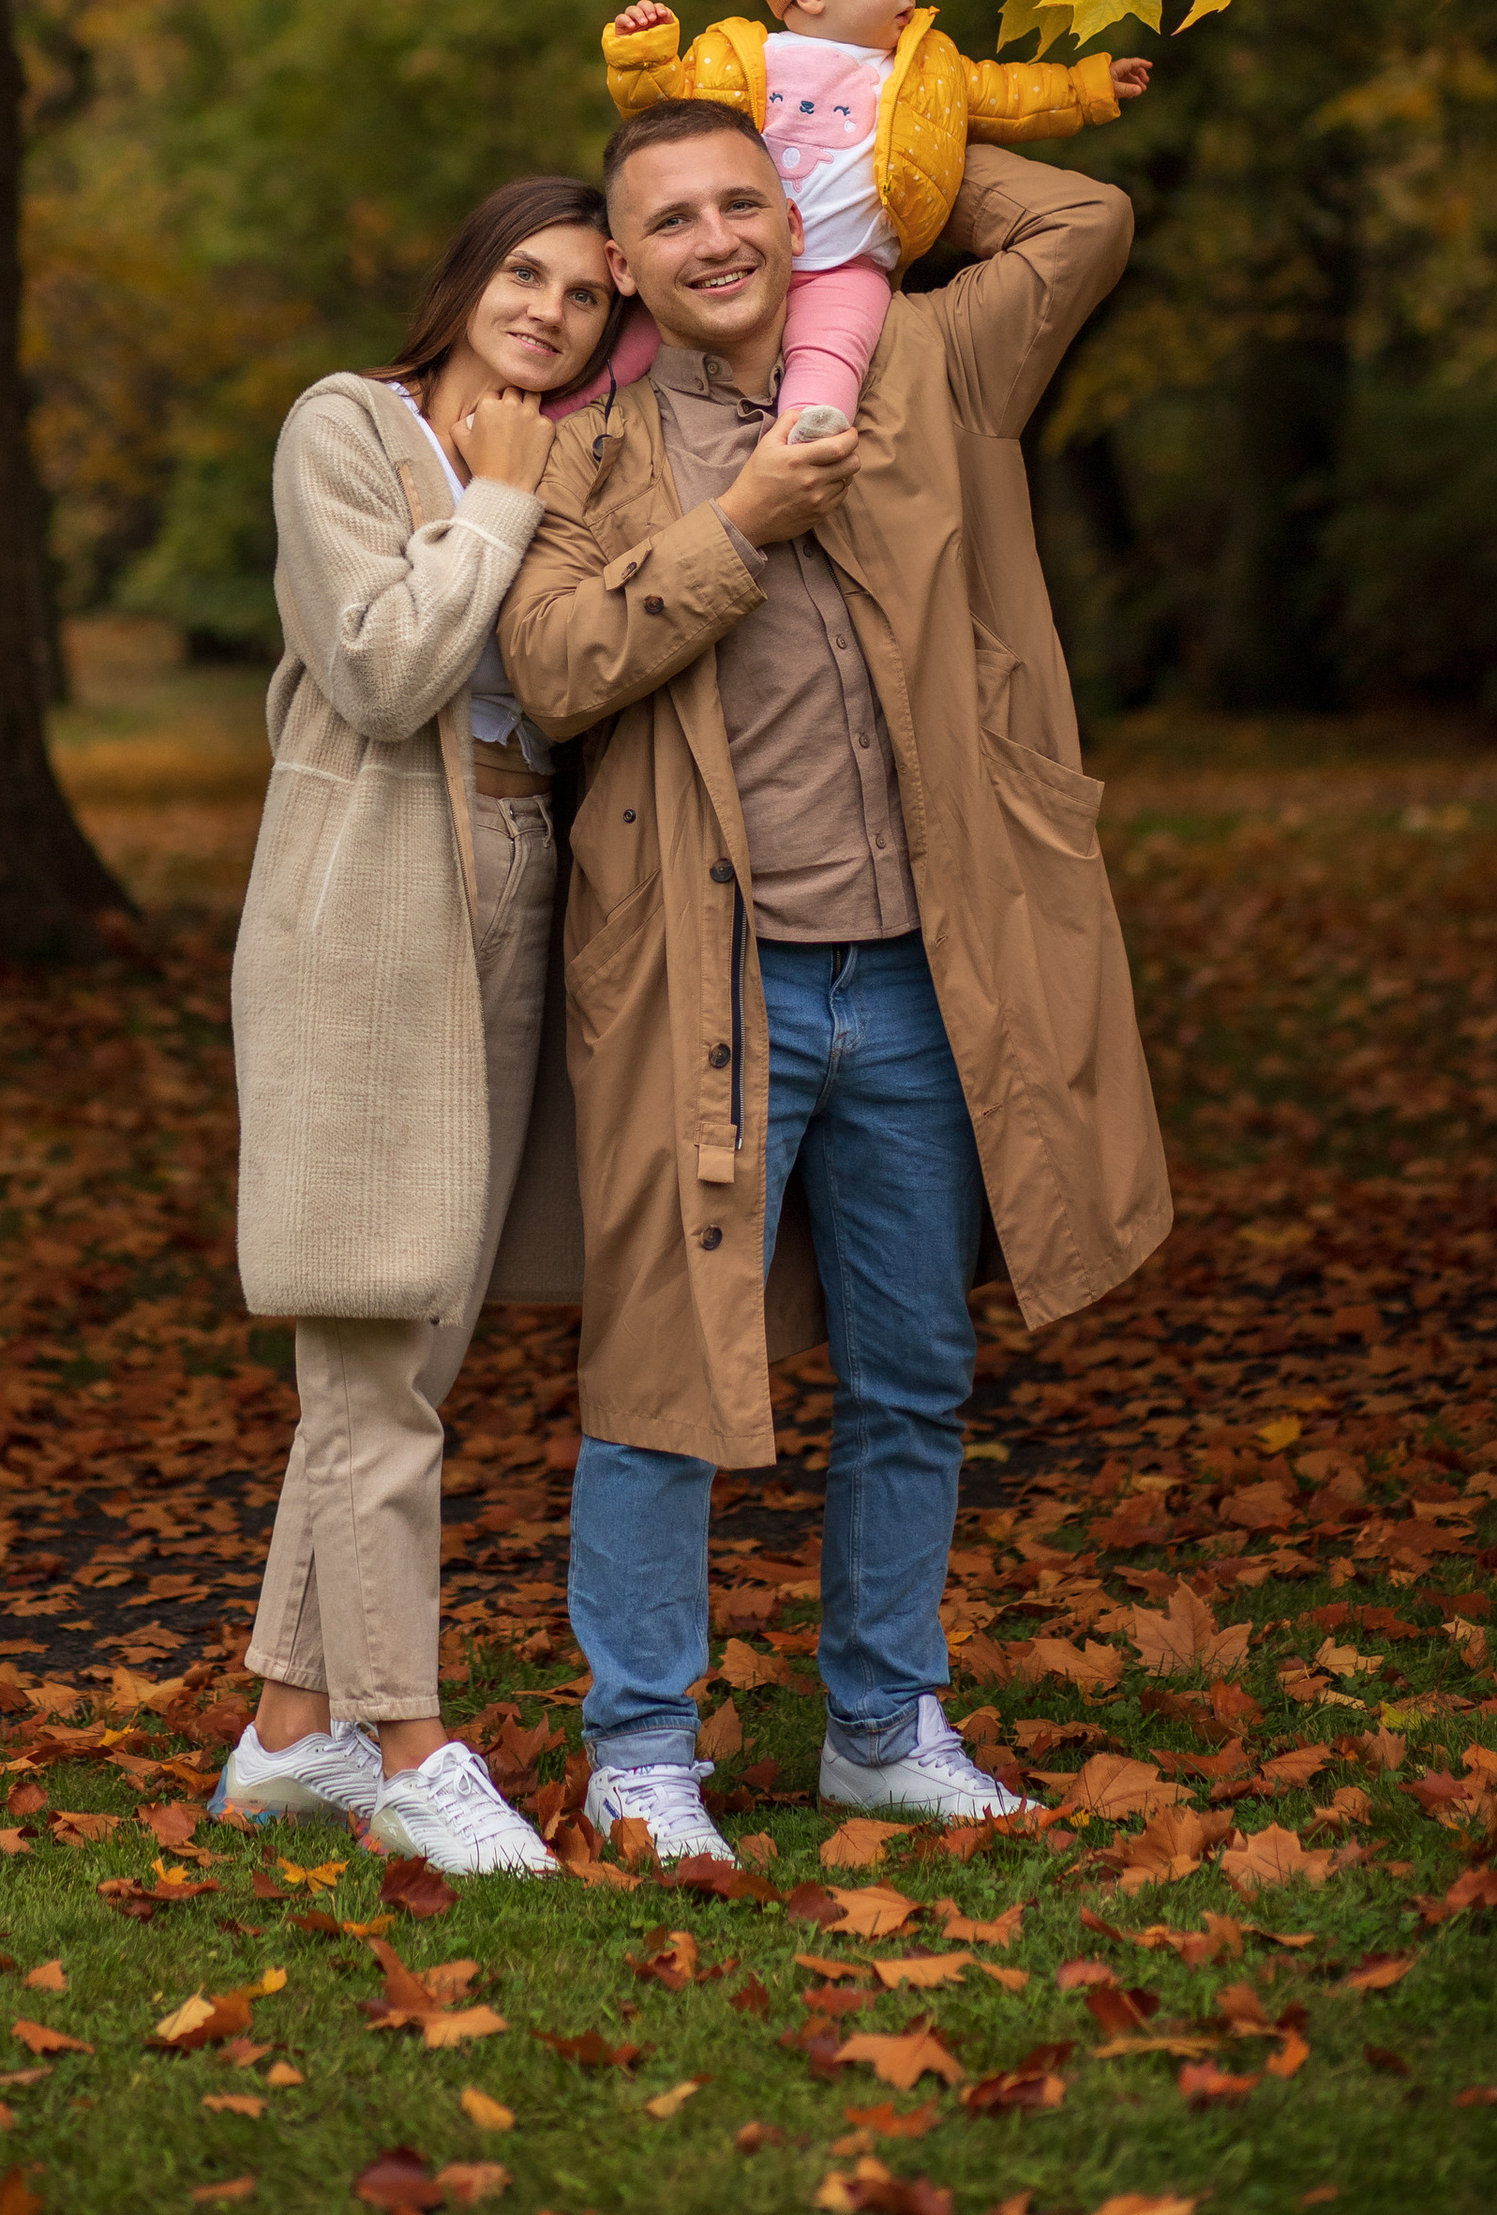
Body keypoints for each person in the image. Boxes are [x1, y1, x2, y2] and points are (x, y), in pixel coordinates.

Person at [498, 97, 1171, 1862]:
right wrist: (741, 521)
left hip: (930, 985)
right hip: (708, 981)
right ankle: (642, 1747)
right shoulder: (596, 448)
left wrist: (864, 105)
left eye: (750, 200)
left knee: (914, 1369)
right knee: (661, 1382)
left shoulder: (929, 372)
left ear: (797, 220)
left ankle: (883, 1721)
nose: (718, 236)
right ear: (627, 268)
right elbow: (559, 665)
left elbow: (1080, 216)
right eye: (675, 220)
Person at [211, 176, 619, 1876]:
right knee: (376, 1335)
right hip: (373, 889)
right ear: (465, 277)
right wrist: (503, 513)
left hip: (518, 869)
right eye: (524, 271)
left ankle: (289, 1738)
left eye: (589, 294)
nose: (549, 308)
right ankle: (415, 1745)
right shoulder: (349, 430)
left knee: (414, 1338)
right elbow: (381, 671)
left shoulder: (574, 456)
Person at [575, 0, 1149, 430]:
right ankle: (556, 417)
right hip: (736, 251)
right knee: (627, 351)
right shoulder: (743, 59)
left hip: (847, 265)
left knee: (835, 345)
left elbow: (1015, 95)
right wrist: (643, 53)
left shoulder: (928, 71)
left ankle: (809, 424)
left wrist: (1090, 86)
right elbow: (661, 119)